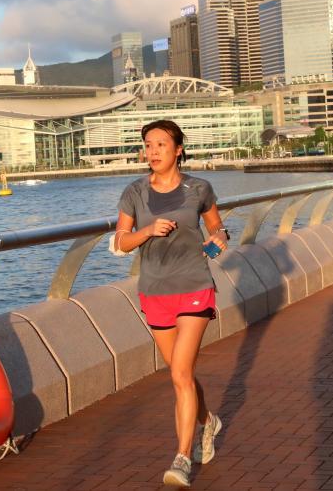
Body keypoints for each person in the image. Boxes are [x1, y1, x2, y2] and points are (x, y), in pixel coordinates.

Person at [115, 120, 228, 487]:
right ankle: (208, 420)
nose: (153, 151)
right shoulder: (134, 192)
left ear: (178, 149)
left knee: (180, 374)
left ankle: (181, 457)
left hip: (194, 285)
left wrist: (219, 238)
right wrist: (147, 231)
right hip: (154, 291)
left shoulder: (199, 188)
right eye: (148, 145)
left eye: (161, 144)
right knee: (181, 374)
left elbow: (216, 226)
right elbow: (121, 242)